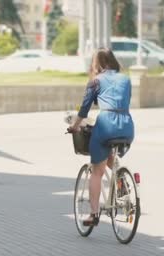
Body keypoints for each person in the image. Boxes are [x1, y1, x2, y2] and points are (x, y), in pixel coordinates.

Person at [68, 48, 135, 227]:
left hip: (106, 125)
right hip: (127, 125)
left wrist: (74, 127)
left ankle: (93, 214)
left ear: (98, 64)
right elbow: (125, 100)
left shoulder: (95, 82)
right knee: (111, 158)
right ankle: (123, 187)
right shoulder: (126, 79)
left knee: (97, 172)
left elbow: (84, 110)